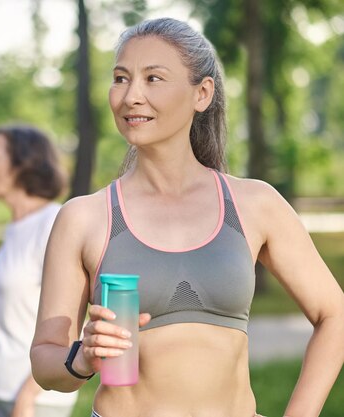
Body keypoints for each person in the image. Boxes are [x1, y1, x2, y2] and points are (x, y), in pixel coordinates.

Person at [30, 17, 344, 417]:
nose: (131, 96)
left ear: (203, 93)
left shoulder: (255, 204)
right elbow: (44, 359)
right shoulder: (83, 218)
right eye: (121, 78)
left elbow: (334, 313)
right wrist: (80, 358)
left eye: (153, 78)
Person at [0, 125, 78, 417]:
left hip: (37, 400)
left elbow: (73, 322)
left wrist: (28, 395)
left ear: (23, 164)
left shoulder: (52, 224)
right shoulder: (16, 228)